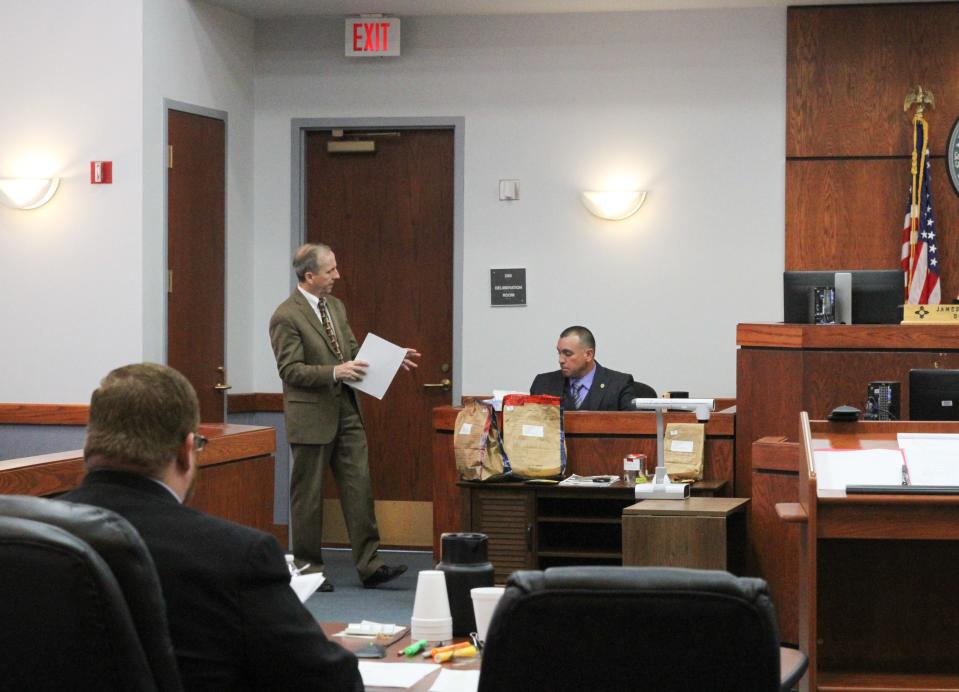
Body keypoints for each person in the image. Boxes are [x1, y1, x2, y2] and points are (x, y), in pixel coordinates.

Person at [62, 363, 362, 691]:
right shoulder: (236, 555)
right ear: (187, 451)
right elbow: (329, 683)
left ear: (89, 444)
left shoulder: (25, 535)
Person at [269, 242, 419, 591]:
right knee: (308, 496)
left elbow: (352, 353)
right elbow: (290, 370)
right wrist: (335, 372)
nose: (338, 275)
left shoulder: (335, 306)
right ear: (310, 276)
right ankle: (308, 571)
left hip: (347, 411)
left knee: (359, 488)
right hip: (311, 417)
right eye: (330, 270)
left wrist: (392, 358)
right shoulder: (285, 315)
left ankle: (370, 565)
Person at [530, 325, 653, 410]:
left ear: (588, 355)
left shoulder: (619, 385)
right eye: (559, 352)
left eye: (567, 354)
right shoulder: (543, 384)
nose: (561, 360)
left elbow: (632, 428)